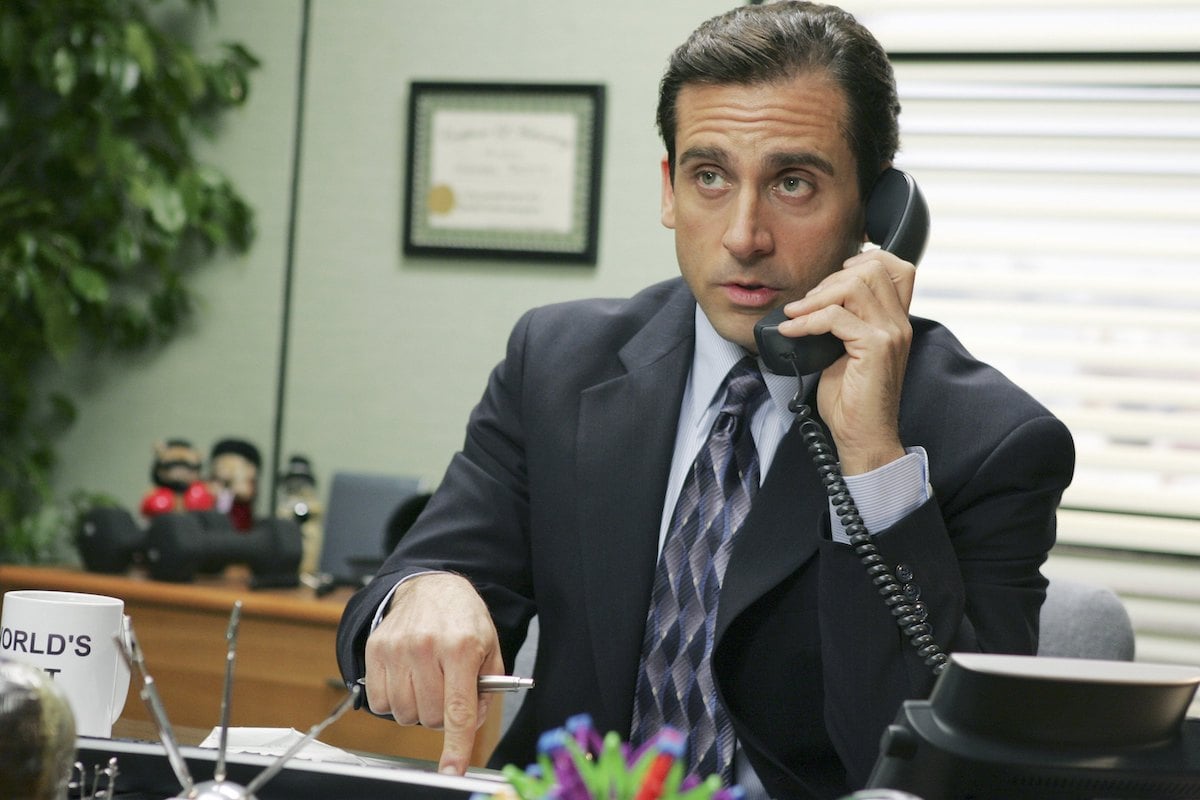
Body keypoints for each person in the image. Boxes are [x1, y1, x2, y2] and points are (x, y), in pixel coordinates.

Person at [336, 3, 1075, 798]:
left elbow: (953, 767)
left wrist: (871, 458)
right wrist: (424, 592)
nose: (744, 235)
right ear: (669, 189)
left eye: (794, 183)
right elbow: (401, 594)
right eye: (710, 177)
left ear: (878, 208)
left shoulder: (994, 441)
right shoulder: (556, 364)